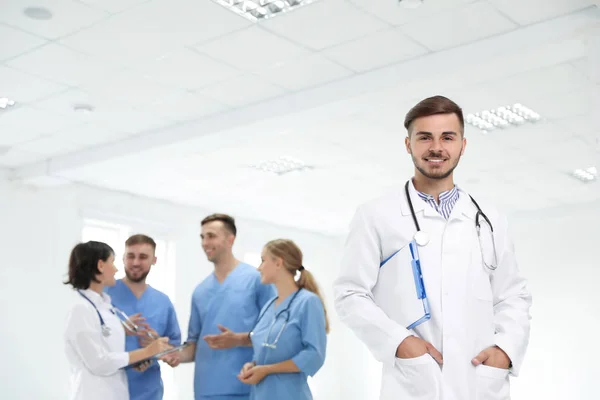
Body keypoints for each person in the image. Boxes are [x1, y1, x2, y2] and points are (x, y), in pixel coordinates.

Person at [332, 95, 532, 400]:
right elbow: (349, 294)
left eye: (447, 137)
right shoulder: (376, 215)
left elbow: (513, 296)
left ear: (463, 145)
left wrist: (505, 350)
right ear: (408, 144)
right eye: (424, 137)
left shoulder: (491, 220)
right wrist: (400, 342)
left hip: (479, 381)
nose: (436, 147)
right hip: (413, 382)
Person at [177, 213, 276, 400]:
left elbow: (275, 333)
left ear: (230, 240)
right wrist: (175, 356)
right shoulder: (200, 291)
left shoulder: (257, 280)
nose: (205, 242)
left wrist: (239, 339)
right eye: (202, 237)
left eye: (211, 236)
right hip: (206, 389)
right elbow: (194, 345)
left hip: (247, 386)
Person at [63, 241, 171, 400]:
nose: (116, 269)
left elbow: (108, 349)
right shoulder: (81, 309)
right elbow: (99, 362)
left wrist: (121, 331)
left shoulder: (105, 307)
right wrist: (147, 351)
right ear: (100, 265)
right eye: (112, 262)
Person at [236, 239, 329, 400]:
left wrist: (267, 370)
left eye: (263, 261)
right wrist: (252, 365)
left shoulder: (308, 302)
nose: (259, 268)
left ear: (278, 263)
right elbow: (265, 349)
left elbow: (314, 354)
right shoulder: (269, 305)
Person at [105, 234, 182, 400]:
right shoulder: (104, 294)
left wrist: (160, 349)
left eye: (143, 257)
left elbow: (175, 351)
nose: (135, 263)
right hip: (108, 390)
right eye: (130, 256)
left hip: (149, 392)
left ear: (154, 260)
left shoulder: (163, 302)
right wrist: (120, 330)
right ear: (123, 258)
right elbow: (90, 343)